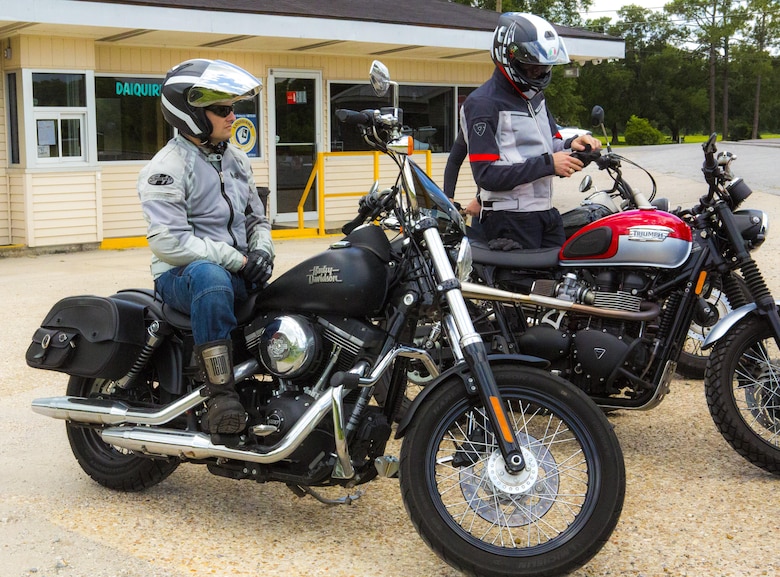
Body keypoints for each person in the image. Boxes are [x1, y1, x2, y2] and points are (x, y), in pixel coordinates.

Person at [138, 59, 274, 435]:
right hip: (183, 276)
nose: (233, 116)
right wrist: (238, 259)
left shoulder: (236, 160)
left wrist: (262, 252)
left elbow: (256, 219)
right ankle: (220, 397)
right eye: (222, 109)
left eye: (233, 107)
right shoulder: (167, 167)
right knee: (212, 279)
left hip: (237, 268)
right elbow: (170, 241)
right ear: (191, 113)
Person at [458, 12, 602, 250]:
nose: (539, 71)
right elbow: (486, 176)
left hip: (543, 211)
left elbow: (551, 144)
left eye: (544, 66)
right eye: (531, 65)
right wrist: (548, 164)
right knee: (524, 287)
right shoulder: (483, 103)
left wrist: (574, 144)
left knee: (563, 280)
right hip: (509, 218)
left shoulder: (535, 97)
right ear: (507, 56)